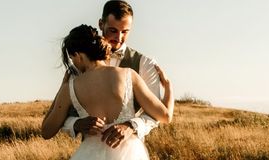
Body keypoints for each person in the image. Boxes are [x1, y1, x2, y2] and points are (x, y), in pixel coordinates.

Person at [41, 25, 173, 159]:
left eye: (72, 58)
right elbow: (165, 116)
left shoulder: (70, 87)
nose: (73, 63)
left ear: (78, 55)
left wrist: (63, 87)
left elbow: (46, 131)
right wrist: (168, 87)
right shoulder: (128, 75)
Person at [64, 0, 163, 148]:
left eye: (125, 32)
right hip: (91, 152)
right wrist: (76, 124)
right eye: (113, 30)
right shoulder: (80, 61)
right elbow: (63, 112)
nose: (119, 38)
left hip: (129, 151)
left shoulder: (145, 64)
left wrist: (131, 126)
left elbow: (156, 115)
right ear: (100, 24)